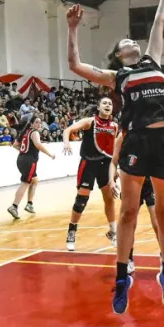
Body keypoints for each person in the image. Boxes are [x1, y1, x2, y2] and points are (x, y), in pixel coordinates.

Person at [66, 0, 164, 315]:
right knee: (129, 212)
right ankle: (120, 280)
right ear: (119, 55)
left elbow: (159, 22)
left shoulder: (154, 61)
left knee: (163, 212)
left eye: (134, 38)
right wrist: (72, 28)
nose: (134, 40)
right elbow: (75, 65)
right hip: (138, 142)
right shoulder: (118, 77)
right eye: (126, 41)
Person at [60, 96, 119, 251]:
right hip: (89, 163)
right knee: (81, 200)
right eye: (104, 103)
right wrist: (66, 143)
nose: (108, 105)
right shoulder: (89, 122)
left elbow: (116, 148)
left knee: (109, 199)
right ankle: (72, 230)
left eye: (110, 103)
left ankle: (113, 232)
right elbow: (68, 130)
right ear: (98, 107)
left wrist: (116, 168)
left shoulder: (114, 125)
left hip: (106, 165)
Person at [109, 132, 161, 276]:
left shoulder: (153, 130)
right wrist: (111, 181)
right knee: (129, 222)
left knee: (157, 222)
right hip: (131, 182)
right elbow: (114, 161)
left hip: (150, 181)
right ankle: (128, 258)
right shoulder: (123, 135)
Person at [7, 115, 55, 219]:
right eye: (37, 122)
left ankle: (29, 204)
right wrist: (49, 154)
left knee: (35, 180)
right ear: (32, 124)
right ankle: (14, 206)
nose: (39, 124)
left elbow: (15, 145)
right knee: (25, 183)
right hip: (29, 161)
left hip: (21, 159)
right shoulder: (34, 132)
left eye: (40, 122)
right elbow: (38, 145)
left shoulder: (26, 132)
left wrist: (24, 151)